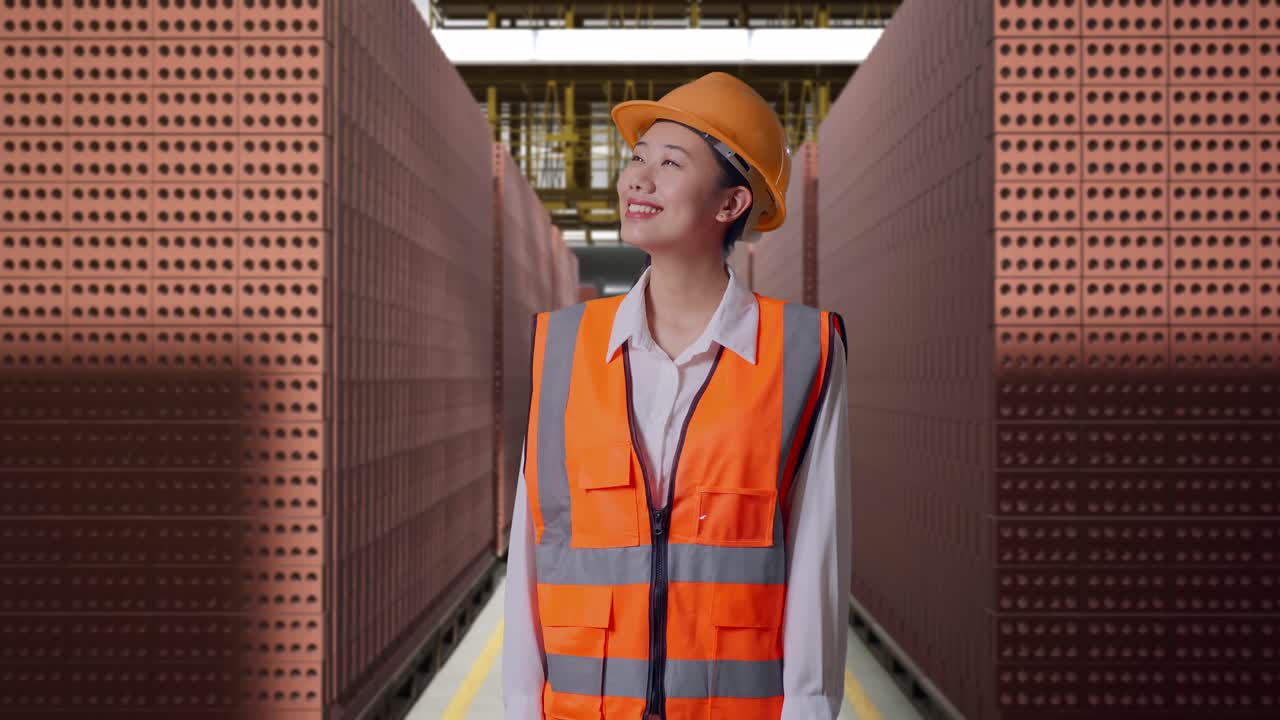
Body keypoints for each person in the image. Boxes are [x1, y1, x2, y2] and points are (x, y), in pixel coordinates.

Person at [502, 71, 852, 720]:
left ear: (730, 205)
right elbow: (533, 547)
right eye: (636, 159)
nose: (638, 177)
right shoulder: (562, 347)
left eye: (670, 162)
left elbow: (817, 559)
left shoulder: (802, 351)